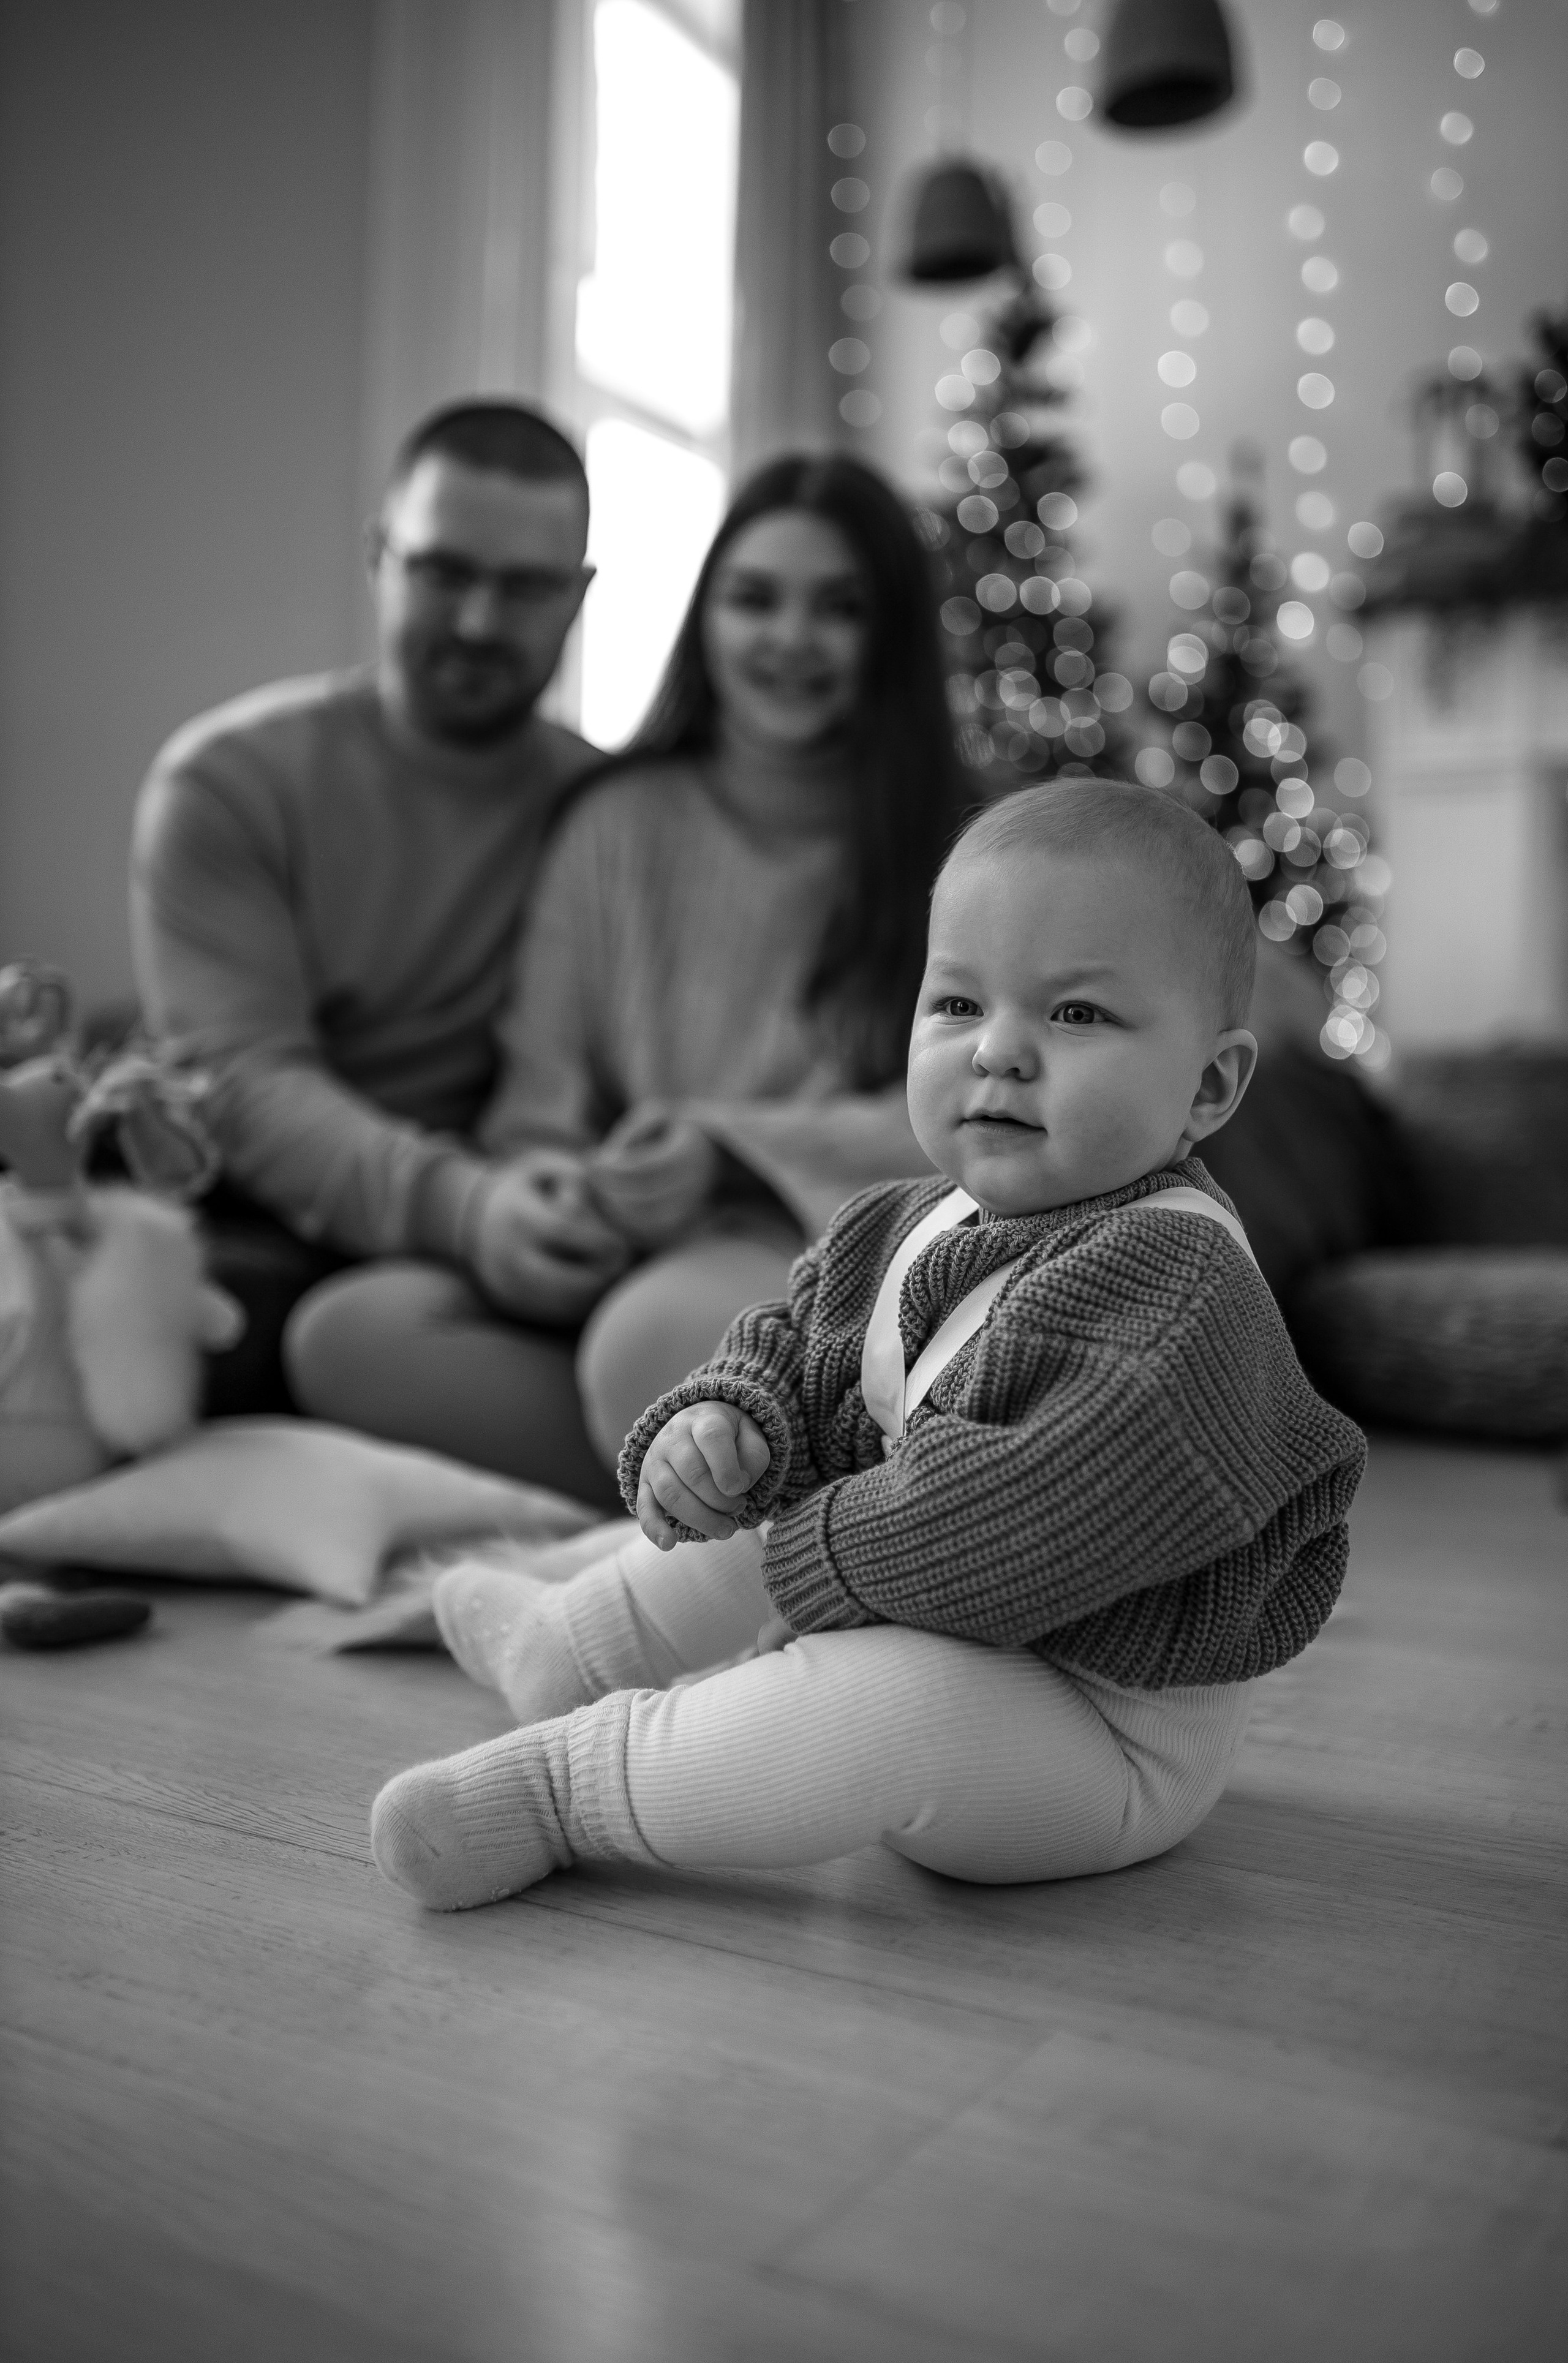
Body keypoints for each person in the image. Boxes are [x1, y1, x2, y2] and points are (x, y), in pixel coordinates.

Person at [367, 778, 1367, 1912]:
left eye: (1078, 1015)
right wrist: (731, 1417)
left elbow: (1007, 1526)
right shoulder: (906, 1219)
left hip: (1097, 1727)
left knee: (885, 1693)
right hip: (923, 1588)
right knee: (760, 1487)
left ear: (1210, 1084)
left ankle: (565, 1792)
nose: (999, 1051)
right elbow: (800, 1338)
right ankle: (569, 1648)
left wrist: (796, 1577)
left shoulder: (1181, 1291)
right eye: (958, 1003)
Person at [285, 454, 967, 1487]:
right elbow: (540, 1090)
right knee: (348, 1334)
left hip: (815, 1246)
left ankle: (711, 1478)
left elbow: (973, 1107)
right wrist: (551, 1197)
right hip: (631, 1239)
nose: (789, 638)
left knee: (646, 1345)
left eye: (839, 608)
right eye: (754, 599)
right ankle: (706, 1485)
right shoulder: (614, 821)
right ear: (706, 619)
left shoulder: (962, 847)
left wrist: (730, 1152)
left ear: (892, 637)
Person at [130, 401, 625, 1501]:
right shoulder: (228, 782)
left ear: (579, 596)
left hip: (522, 1225)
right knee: (154, 1334)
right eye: (445, 572)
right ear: (378, 557)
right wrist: (466, 1208)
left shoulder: (613, 812)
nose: (481, 620)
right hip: (279, 1216)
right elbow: (241, 1084)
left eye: (526, 586)